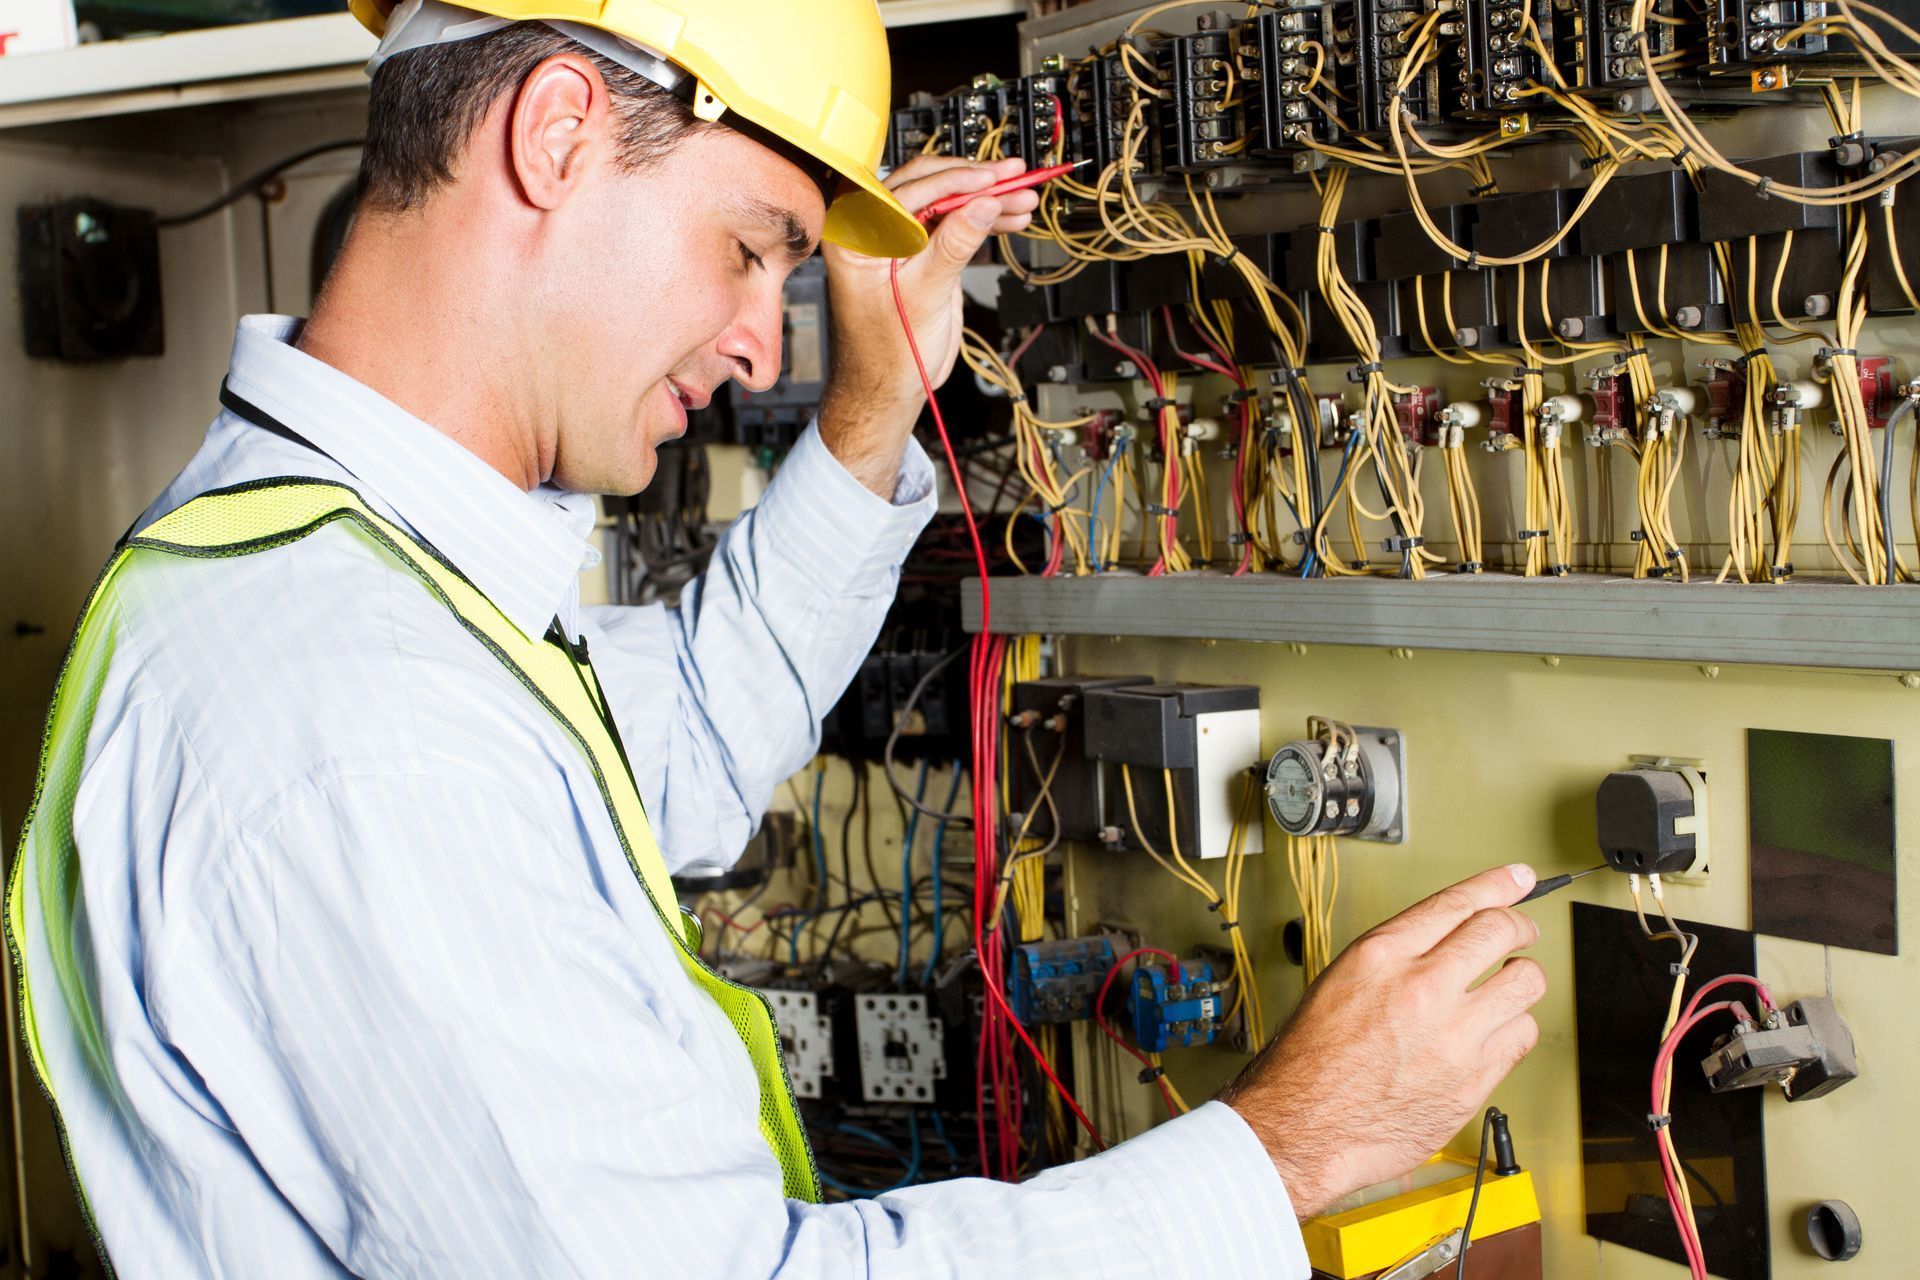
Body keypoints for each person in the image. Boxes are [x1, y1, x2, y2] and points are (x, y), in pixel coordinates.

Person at [8, 1, 1545, 1274]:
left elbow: (663, 755)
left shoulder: (348, 582)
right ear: (556, 135)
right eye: (747, 248)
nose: (760, 344)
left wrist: (874, 412)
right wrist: (1284, 1154)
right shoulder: (346, 710)